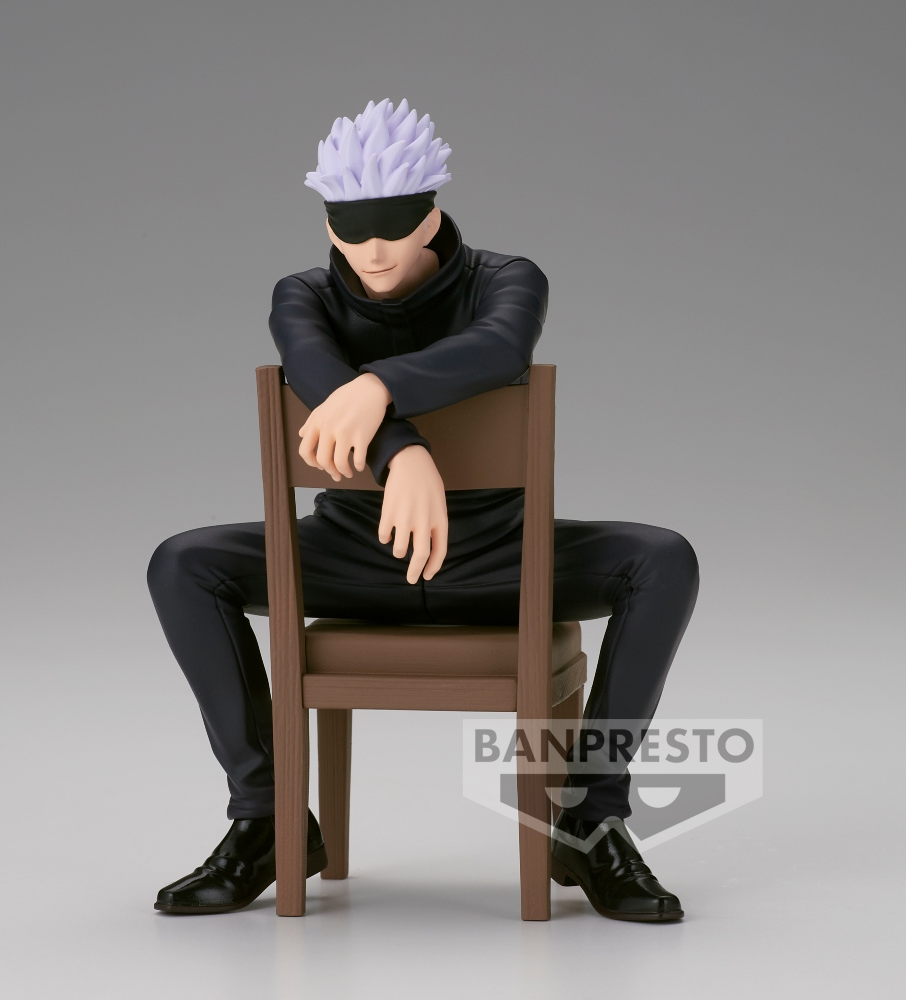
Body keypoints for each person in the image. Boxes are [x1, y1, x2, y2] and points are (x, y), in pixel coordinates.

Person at [148, 100, 699, 921]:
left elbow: (501, 347)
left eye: (395, 226)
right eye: (349, 228)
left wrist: (376, 388)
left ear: (431, 215)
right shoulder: (301, 294)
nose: (372, 250)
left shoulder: (508, 278)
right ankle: (266, 820)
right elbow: (313, 371)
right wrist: (403, 453)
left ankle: (591, 821)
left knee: (663, 559)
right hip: (352, 557)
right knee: (181, 563)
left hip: (501, 558)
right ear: (327, 223)